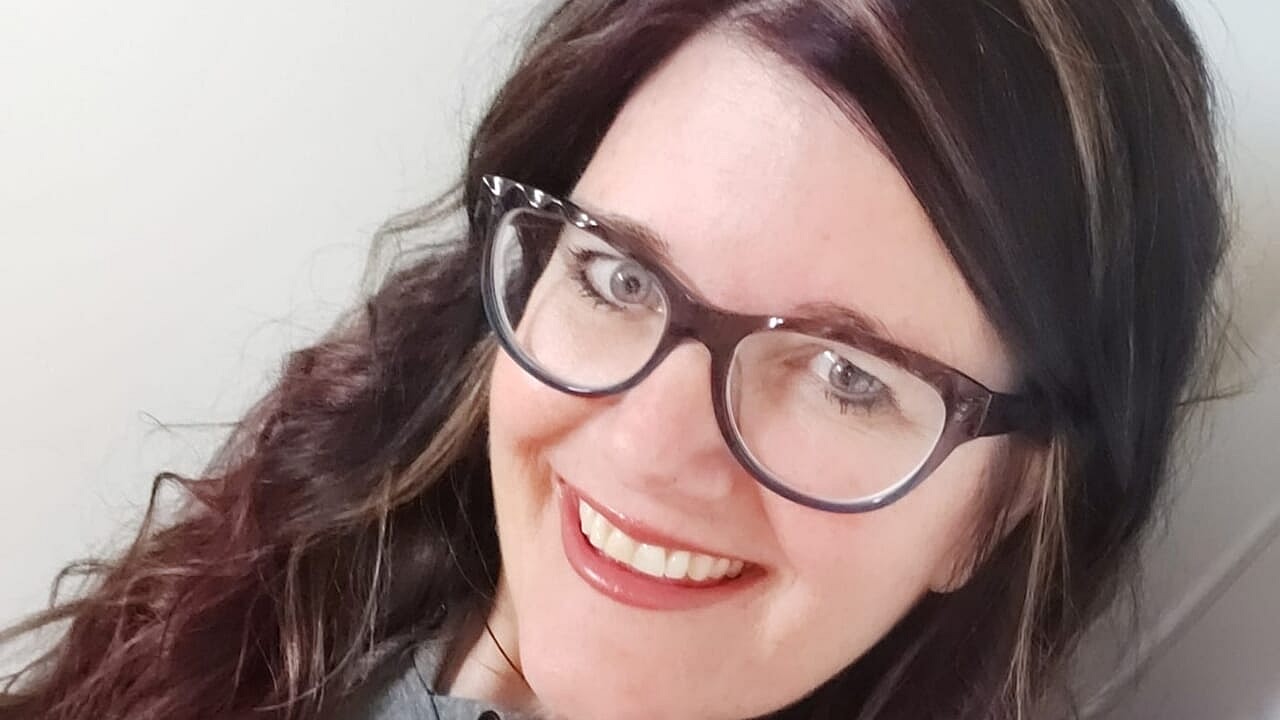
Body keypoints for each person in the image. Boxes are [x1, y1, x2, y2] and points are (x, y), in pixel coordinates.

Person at [0, 0, 1227, 718]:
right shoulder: (302, 560)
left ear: (1001, 506)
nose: (644, 444)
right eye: (620, 277)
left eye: (848, 376)